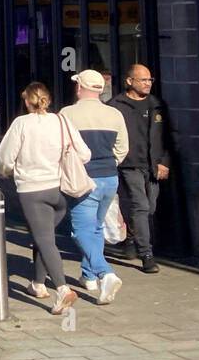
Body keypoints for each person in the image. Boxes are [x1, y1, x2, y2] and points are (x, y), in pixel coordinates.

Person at [0, 81, 90, 316]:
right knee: (42, 236)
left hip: (32, 190)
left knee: (45, 240)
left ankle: (62, 288)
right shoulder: (61, 120)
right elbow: (85, 154)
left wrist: (7, 171)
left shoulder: (21, 124)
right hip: (59, 189)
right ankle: (38, 283)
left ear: (27, 101)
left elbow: (5, 158)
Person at [60, 70, 129, 304]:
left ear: (80, 87)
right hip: (110, 177)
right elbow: (123, 148)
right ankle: (88, 276)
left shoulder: (67, 114)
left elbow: (61, 147)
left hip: (83, 179)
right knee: (96, 227)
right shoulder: (114, 114)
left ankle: (104, 273)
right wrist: (111, 163)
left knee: (81, 230)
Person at [108, 64, 174, 274]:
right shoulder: (116, 105)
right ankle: (146, 255)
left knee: (150, 207)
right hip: (129, 164)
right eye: (143, 80)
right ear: (129, 81)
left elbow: (167, 137)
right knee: (140, 206)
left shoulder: (156, 105)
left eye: (149, 80)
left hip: (152, 165)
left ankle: (131, 237)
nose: (147, 84)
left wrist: (164, 161)